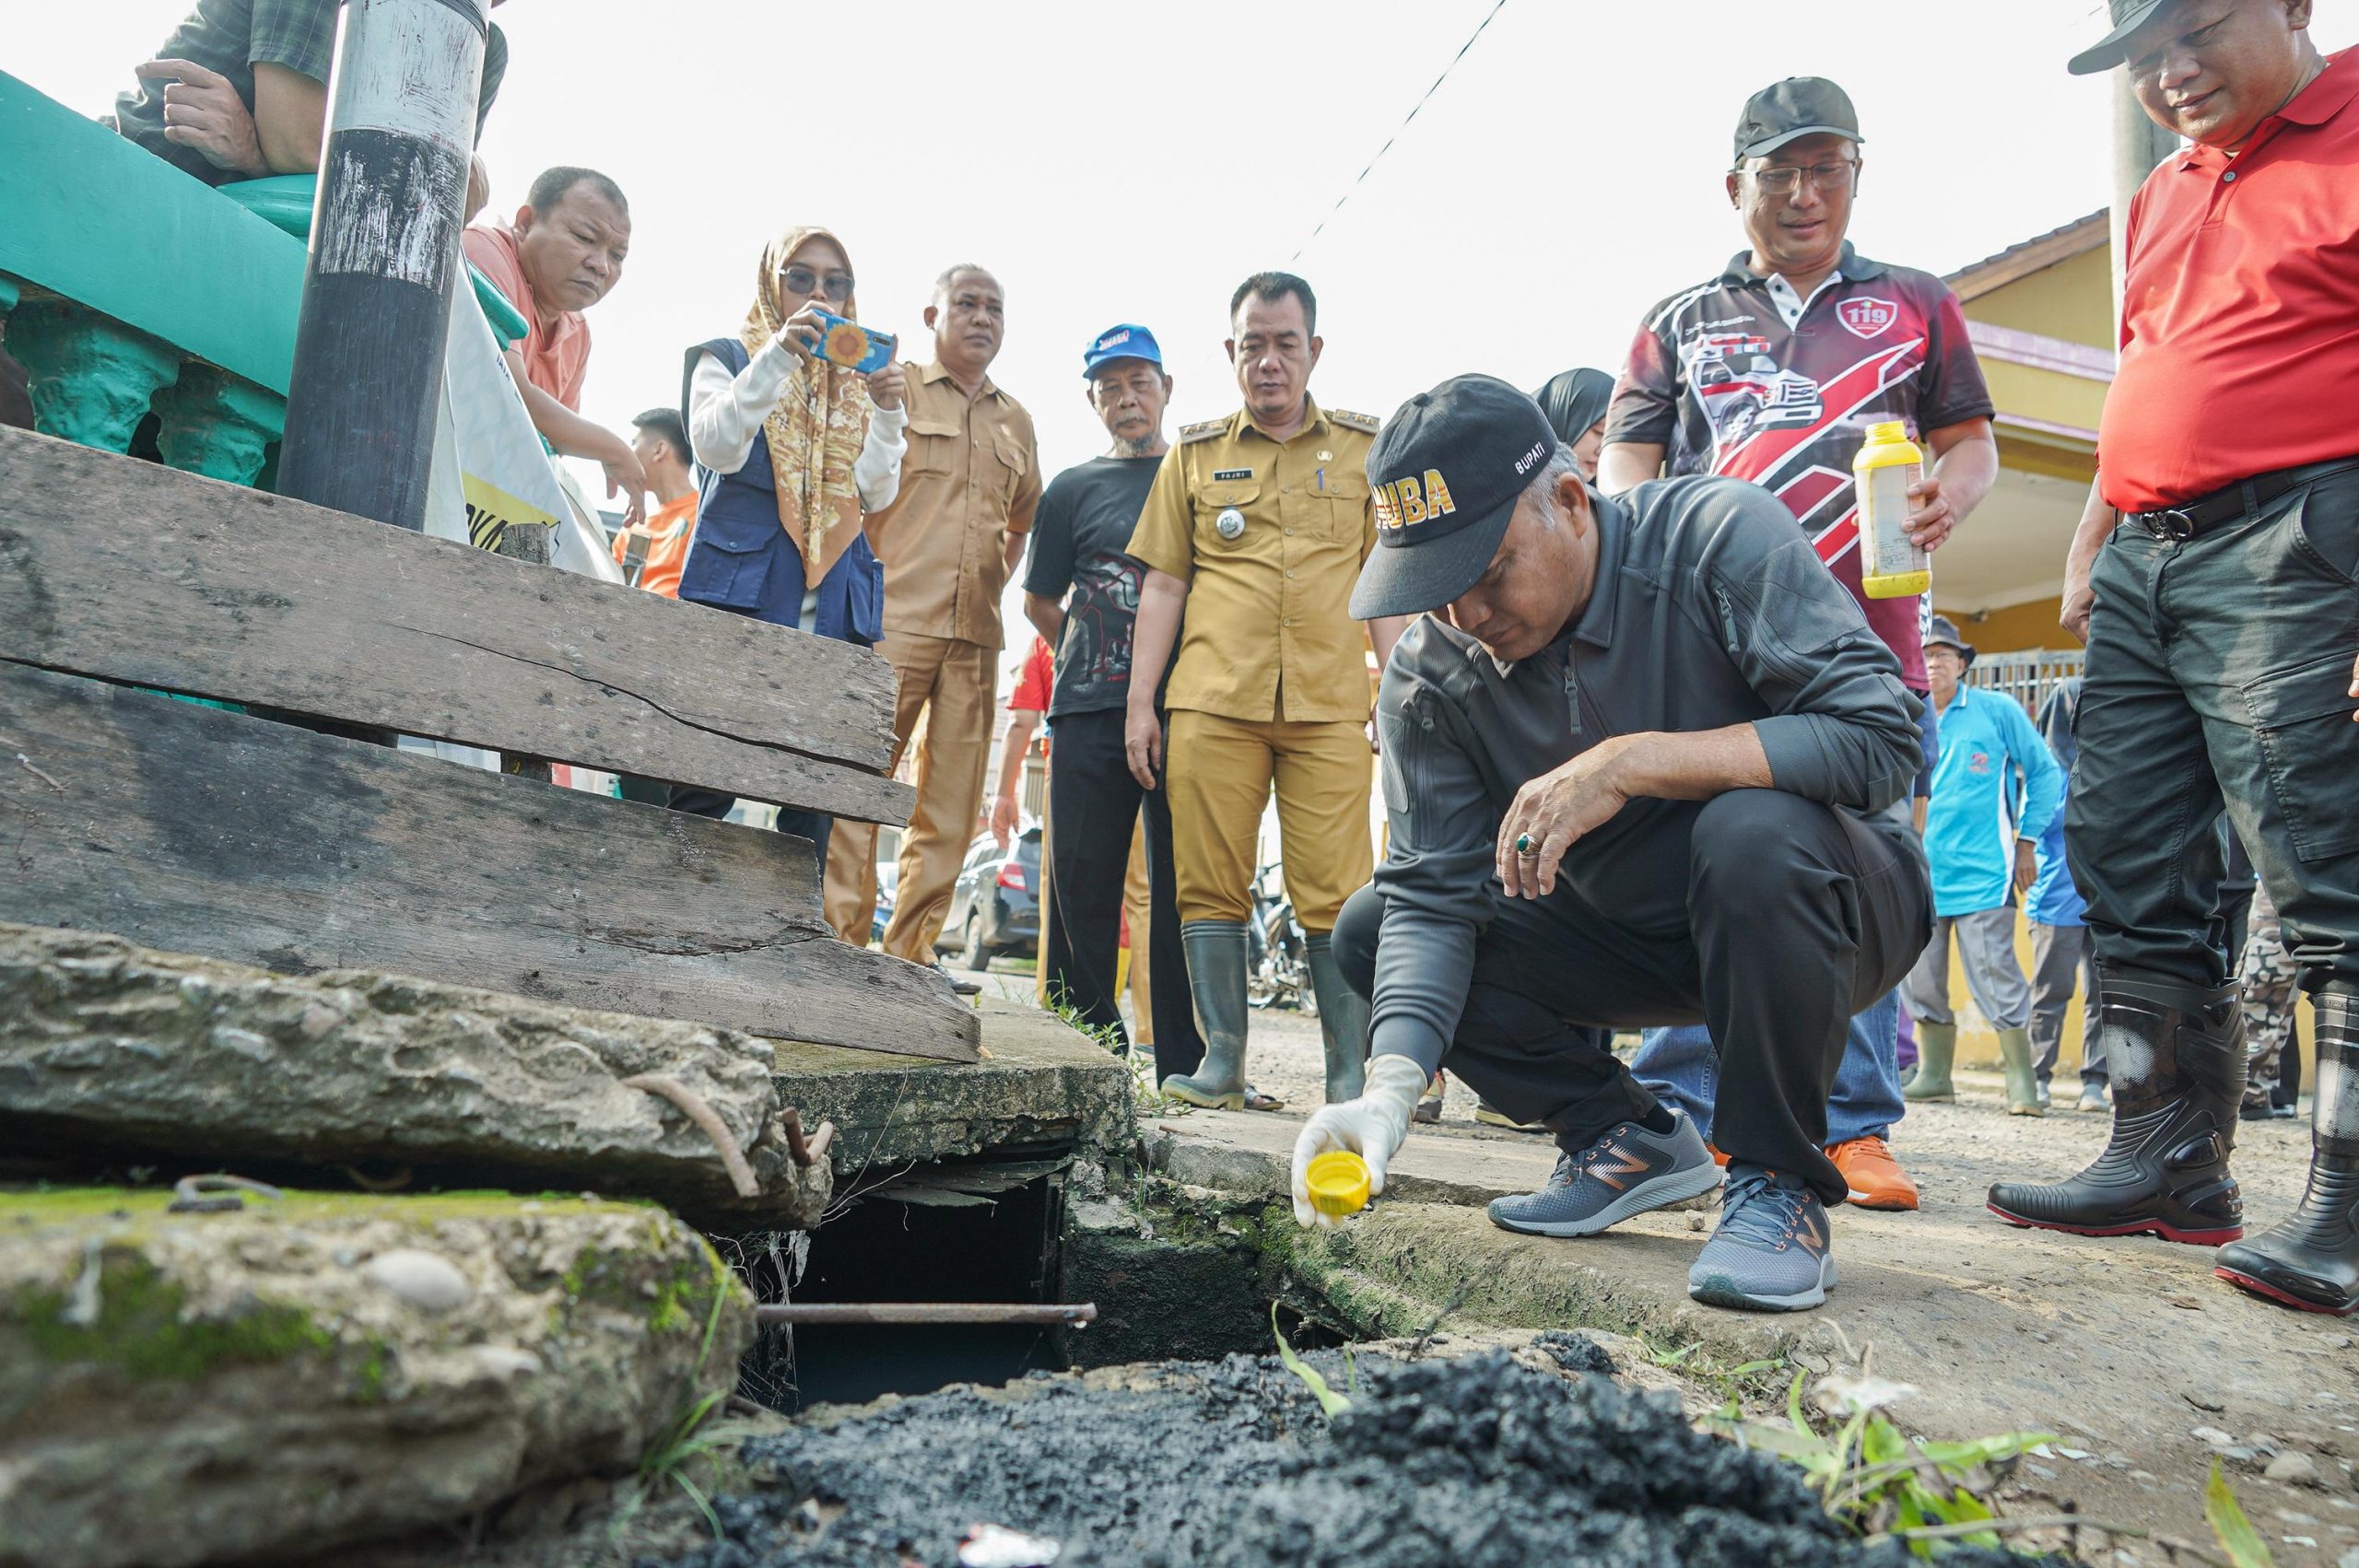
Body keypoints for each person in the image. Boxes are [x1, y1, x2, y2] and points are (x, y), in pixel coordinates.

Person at [1295, 374, 1929, 1313]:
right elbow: (1432, 896)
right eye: (1434, 591)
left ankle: (1777, 1185)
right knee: (1372, 923)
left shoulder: (1715, 537)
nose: (1465, 615)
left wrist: (1633, 762)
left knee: (1749, 827)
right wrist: (1386, 1090)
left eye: (1487, 570)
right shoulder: (1433, 676)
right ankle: (1623, 1135)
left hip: (1824, 902)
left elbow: (1882, 740)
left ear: (1567, 499)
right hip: (1626, 932)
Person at [1993, 0, 2359, 1316]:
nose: (2171, 73)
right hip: (2152, 548)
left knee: (2326, 860)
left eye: (2197, 32)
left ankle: (2350, 1200)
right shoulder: (2163, 192)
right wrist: (2096, 530)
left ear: (2296, 7)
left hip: (2304, 532)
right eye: (2144, 59)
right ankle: (2164, 1156)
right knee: (2128, 851)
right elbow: (2148, 365)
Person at [1596, 76, 1999, 1213]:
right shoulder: (1675, 319)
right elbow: (1626, 463)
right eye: (1778, 172)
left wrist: (1949, 498)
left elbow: (1970, 444)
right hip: (1710, 641)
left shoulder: (1917, 302)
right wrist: (1643, 542)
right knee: (1702, 859)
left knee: (1859, 870)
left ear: (1857, 173)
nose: (1804, 192)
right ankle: (1678, 1105)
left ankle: (1852, 1122)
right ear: (1736, 188)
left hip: (1867, 638)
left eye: (1826, 167)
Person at [1123, 273, 1408, 1108]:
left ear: (1314, 350)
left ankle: (1347, 1074)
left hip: (1327, 709)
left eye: (1286, 343)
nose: (1270, 361)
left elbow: (1386, 583)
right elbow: (1165, 585)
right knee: (1208, 884)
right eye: (1254, 344)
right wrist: (1143, 704)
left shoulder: (1366, 450)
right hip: (1212, 702)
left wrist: (1397, 690)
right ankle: (1222, 1063)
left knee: (1341, 891)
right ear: (1231, 352)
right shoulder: (1196, 454)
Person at [665, 225, 908, 867]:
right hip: (742, 600)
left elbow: (877, 495)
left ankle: (790, 947)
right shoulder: (729, 355)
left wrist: (888, 413)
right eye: (801, 277)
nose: (819, 293)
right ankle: (670, 926)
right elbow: (715, 447)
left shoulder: (861, 383)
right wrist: (777, 355)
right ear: (772, 283)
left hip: (831, 611)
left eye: (837, 281)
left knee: (813, 797)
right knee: (708, 775)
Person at [824, 267, 1041, 975]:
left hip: (976, 637)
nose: (983, 319)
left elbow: (1022, 523)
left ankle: (910, 959)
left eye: (996, 309)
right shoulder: (897, 387)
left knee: (949, 808)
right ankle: (839, 948)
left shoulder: (1017, 420)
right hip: (891, 621)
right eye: (967, 305)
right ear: (932, 314)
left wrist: (990, 586)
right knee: (861, 785)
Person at [1020, 325, 1206, 1079]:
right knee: (1080, 886)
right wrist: (1090, 649)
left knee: (1185, 888)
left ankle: (1188, 1062)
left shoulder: (1197, 477)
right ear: (1093, 399)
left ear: (1167, 388)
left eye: (1139, 383)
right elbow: (1039, 601)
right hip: (1087, 710)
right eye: (1110, 387)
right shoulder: (1072, 489)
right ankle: (1086, 1051)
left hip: (1188, 709)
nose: (1126, 399)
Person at [1899, 618, 2061, 1115]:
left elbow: (2045, 772)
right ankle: (1934, 1075)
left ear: (1963, 664)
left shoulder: (1996, 710)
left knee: (1996, 976)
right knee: (1919, 979)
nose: (1933, 662)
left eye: (1944, 654)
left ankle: (2021, 1081)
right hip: (1918, 874)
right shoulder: (1907, 713)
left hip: (1984, 873)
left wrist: (2028, 841)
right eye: (1925, 654)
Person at [116, 0, 507, 191]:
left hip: (272, 242)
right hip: (141, 179)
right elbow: (298, 148)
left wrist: (256, 157)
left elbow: (428, 208)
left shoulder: (483, 48)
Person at [464, 169, 647, 526]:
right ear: (526, 223)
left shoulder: (578, 333)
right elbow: (509, 396)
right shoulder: (485, 249)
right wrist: (613, 449)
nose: (601, 265)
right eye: (584, 237)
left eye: (618, 255)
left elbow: (548, 444)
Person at [2025, 677, 2107, 1113]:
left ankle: (2095, 1081)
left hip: (2105, 900)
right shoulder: (2043, 771)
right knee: (2050, 993)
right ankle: (2039, 1074)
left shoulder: (2109, 767)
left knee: (2103, 995)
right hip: (2056, 898)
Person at [610, 408, 698, 598]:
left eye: (634, 443)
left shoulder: (705, 516)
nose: (628, 453)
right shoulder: (632, 527)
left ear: (659, 450)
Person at [1532, 368, 1614, 482]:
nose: (1603, 449)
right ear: (1561, 417)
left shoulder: (1611, 494)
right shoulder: (1513, 489)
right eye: (1599, 432)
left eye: (1613, 437)